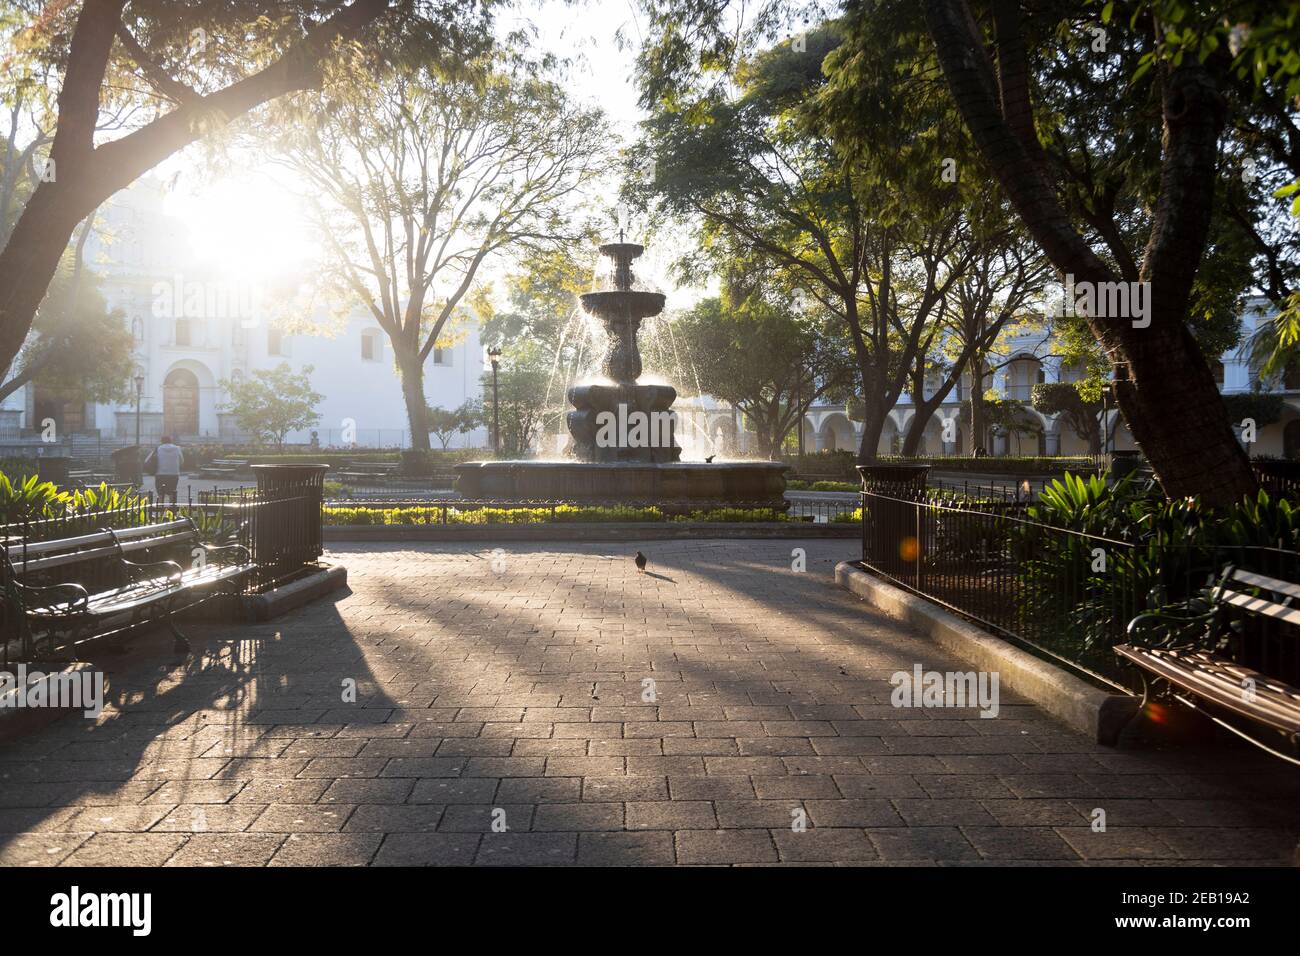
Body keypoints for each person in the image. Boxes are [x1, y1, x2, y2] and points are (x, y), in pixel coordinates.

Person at [147, 435, 184, 505]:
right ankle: (172, 511)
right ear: (171, 441)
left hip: (160, 474)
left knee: (160, 494)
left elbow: (147, 460)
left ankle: (160, 511)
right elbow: (182, 461)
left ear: (162, 441)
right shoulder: (177, 448)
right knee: (172, 493)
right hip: (174, 474)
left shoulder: (158, 448)